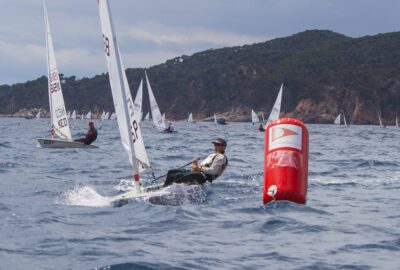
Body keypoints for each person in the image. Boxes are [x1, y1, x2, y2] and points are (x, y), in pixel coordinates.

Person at [163, 138, 228, 187]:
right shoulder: (215, 155)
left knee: (176, 176)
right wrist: (196, 164)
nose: (215, 146)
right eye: (215, 144)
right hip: (198, 174)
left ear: (224, 147)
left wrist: (198, 167)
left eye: (218, 145)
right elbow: (202, 167)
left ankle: (166, 188)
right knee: (171, 171)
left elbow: (213, 171)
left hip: (203, 177)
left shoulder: (220, 157)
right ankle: (165, 186)